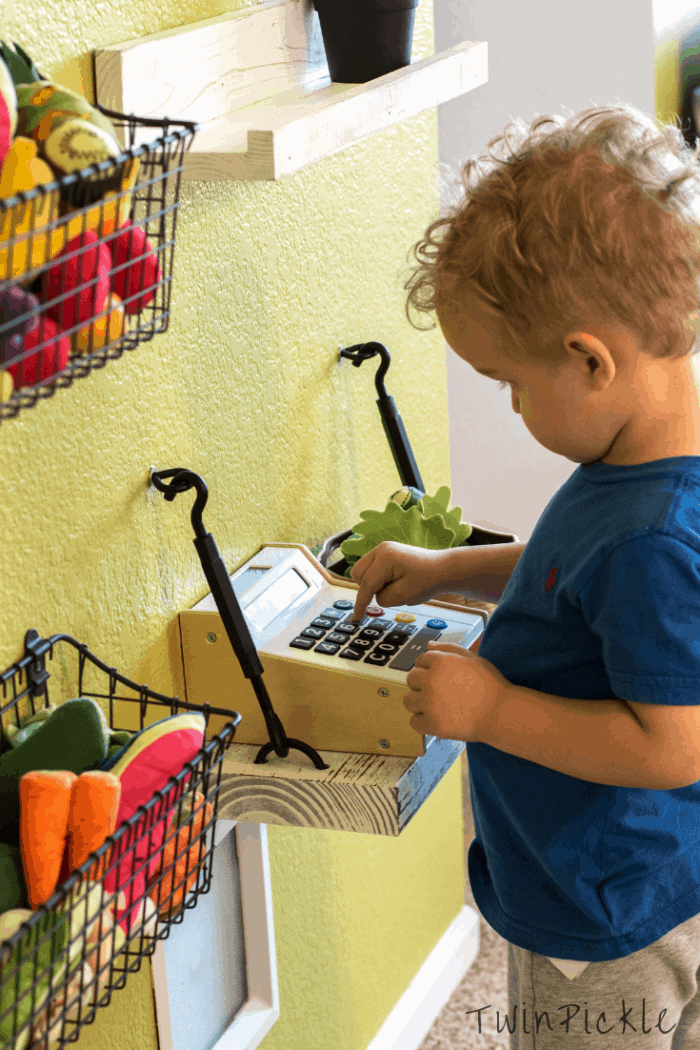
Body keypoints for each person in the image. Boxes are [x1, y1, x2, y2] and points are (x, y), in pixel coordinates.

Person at [350, 102, 700, 1048]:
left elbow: (674, 746)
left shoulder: (647, 537)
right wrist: (450, 570)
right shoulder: (641, 479)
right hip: (652, 877)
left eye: (511, 382)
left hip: (602, 909)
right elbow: (564, 578)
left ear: (589, 361)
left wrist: (491, 713)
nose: (510, 406)